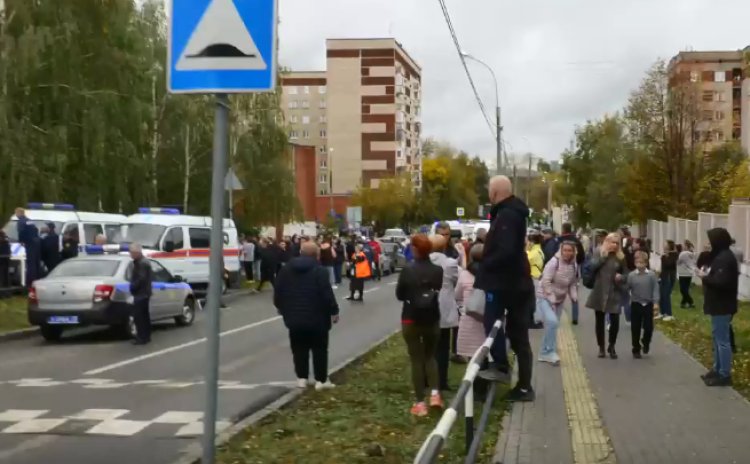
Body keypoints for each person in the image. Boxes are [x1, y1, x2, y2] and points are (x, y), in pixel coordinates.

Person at [475, 176, 535, 402]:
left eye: (490, 191)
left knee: (493, 322)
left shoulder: (507, 215)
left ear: (496, 192)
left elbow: (506, 250)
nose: (488, 195)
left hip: (504, 284)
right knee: (517, 334)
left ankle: (501, 366)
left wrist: (487, 262)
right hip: (515, 283)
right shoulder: (511, 213)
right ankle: (523, 385)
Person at [274, 241, 339, 391]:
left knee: (298, 348)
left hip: (294, 317)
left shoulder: (286, 270)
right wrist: (334, 311)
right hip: (318, 318)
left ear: (300, 252)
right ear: (316, 254)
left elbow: (278, 291)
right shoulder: (320, 271)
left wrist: (281, 308)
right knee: (320, 349)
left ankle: (301, 378)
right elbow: (326, 294)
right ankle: (321, 380)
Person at [396, 234, 444, 416]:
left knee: (416, 359)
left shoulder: (407, 270)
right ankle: (435, 394)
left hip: (411, 318)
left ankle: (419, 404)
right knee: (430, 357)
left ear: (415, 249)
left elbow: (400, 295)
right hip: (432, 317)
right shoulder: (438, 270)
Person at [699, 228, 739, 387]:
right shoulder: (721, 256)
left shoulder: (725, 258)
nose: (708, 244)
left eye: (711, 240)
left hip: (722, 305)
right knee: (717, 338)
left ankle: (724, 374)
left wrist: (705, 277)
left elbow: (721, 282)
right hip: (718, 304)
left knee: (722, 341)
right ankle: (717, 368)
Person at [586, 233, 627, 359]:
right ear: (607, 242)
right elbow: (591, 267)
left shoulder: (620, 257)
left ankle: (612, 346)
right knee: (599, 320)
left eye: (617, 243)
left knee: (615, 320)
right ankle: (601, 347)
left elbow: (626, 273)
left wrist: (621, 277)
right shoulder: (599, 252)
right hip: (600, 290)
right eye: (612, 242)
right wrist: (603, 257)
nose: (614, 245)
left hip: (614, 291)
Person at [537, 241, 579, 365]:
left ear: (573, 252)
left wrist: (574, 295)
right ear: (561, 250)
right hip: (544, 297)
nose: (567, 253)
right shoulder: (553, 262)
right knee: (552, 322)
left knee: (553, 326)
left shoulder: (573, 265)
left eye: (570, 250)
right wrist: (551, 296)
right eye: (565, 250)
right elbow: (546, 281)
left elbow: (572, 283)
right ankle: (549, 352)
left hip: (559, 299)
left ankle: (544, 352)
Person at [429, 234, 460, 391]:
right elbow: (457, 280)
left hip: (425, 308)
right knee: (442, 348)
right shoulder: (450, 263)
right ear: (444, 246)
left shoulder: (422, 261)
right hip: (444, 308)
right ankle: (441, 381)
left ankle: (426, 380)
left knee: (426, 347)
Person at [625, 251, 659, 358]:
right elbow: (627, 288)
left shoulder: (651, 275)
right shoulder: (631, 275)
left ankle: (646, 341)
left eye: (642, 263)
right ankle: (636, 348)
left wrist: (656, 302)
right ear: (635, 263)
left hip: (648, 304)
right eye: (637, 262)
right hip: (636, 303)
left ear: (646, 263)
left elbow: (655, 289)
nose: (639, 265)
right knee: (635, 327)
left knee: (648, 327)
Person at [129, 243, 153, 345]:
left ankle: (141, 337)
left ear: (137, 252)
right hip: (145, 293)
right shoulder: (142, 262)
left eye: (132, 252)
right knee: (144, 316)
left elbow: (141, 278)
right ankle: (146, 336)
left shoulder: (141, 263)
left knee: (139, 317)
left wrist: (133, 286)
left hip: (141, 293)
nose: (130, 254)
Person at [657, 240, 678, 321]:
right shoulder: (664, 256)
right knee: (661, 295)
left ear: (669, 245)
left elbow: (669, 264)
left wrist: (665, 257)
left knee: (666, 295)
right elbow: (663, 268)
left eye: (665, 244)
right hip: (663, 276)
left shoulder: (673, 254)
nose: (663, 245)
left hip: (669, 277)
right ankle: (662, 312)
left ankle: (669, 314)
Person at [677, 240, 696, 308]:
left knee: (683, 289)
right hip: (689, 273)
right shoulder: (692, 253)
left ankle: (690, 301)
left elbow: (678, 262)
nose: (682, 246)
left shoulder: (683, 253)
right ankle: (683, 303)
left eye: (683, 245)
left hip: (683, 273)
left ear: (686, 246)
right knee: (685, 289)